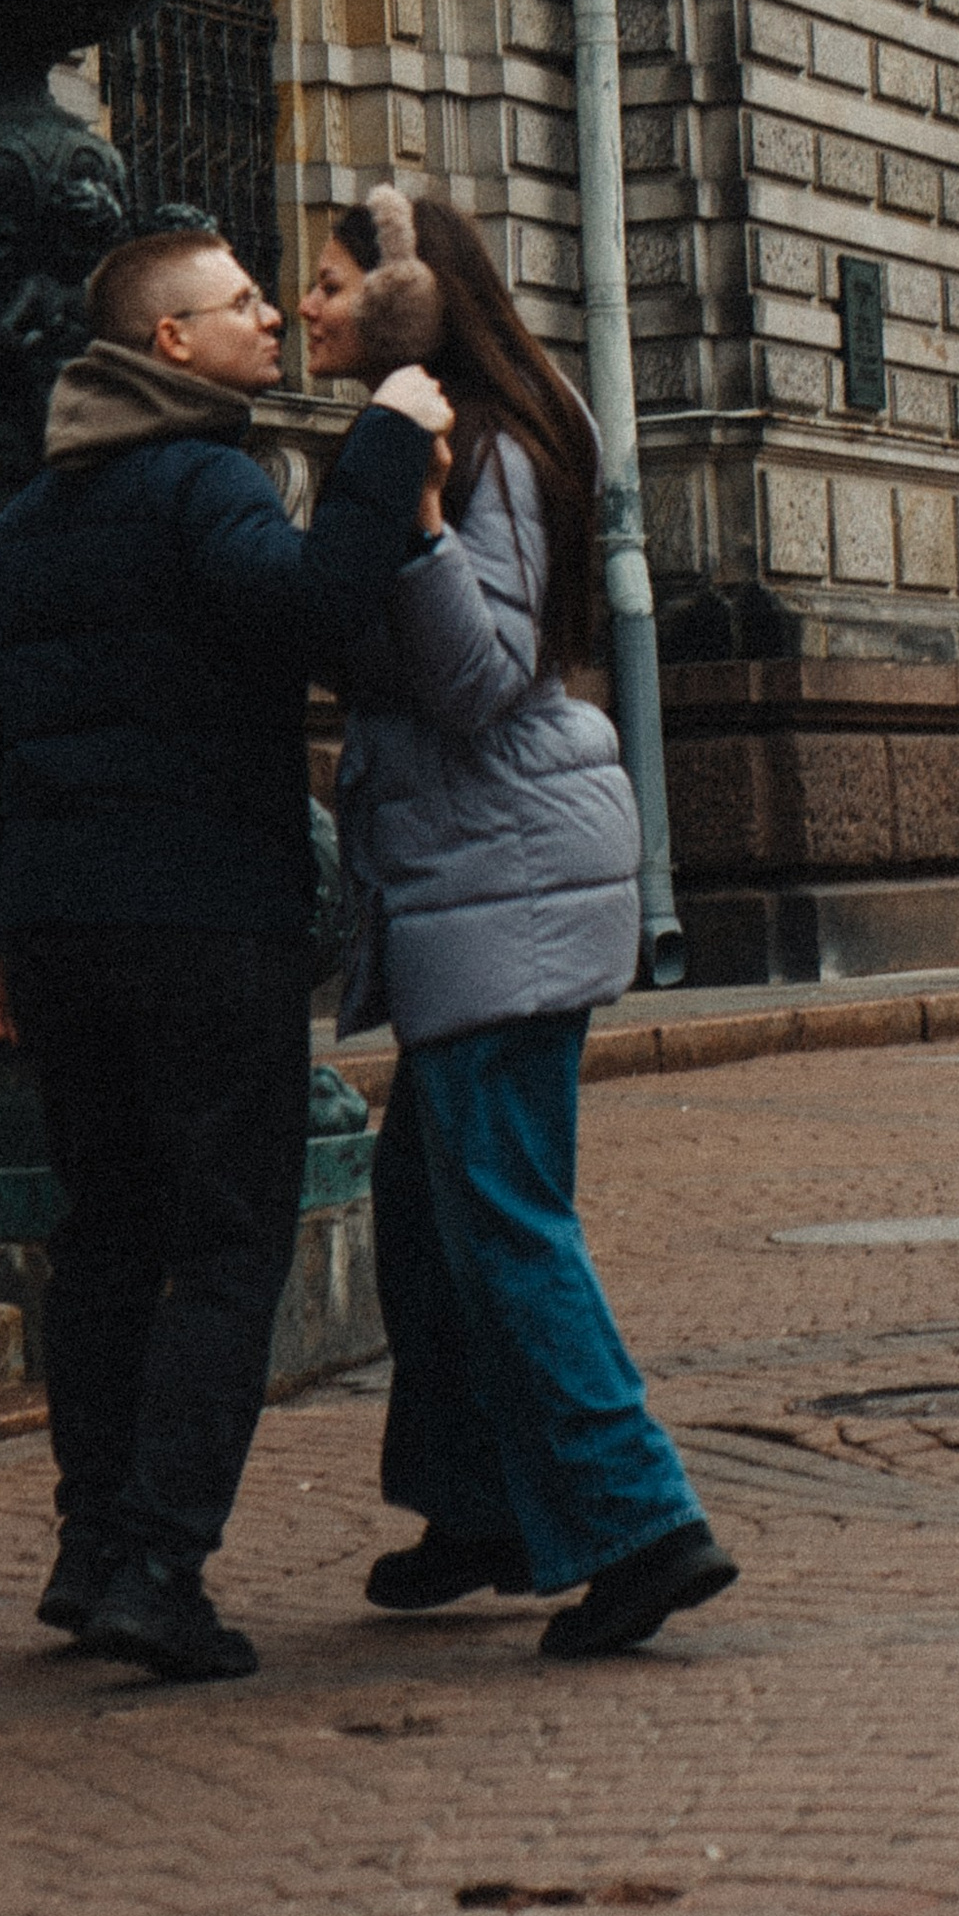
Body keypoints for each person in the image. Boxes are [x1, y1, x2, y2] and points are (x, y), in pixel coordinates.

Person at [0, 225, 451, 1685]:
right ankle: (162, 1565)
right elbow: (305, 611)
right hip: (201, 919)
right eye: (242, 307)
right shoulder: (205, 478)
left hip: (61, 927)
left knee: (103, 1238)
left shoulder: (29, 520)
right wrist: (377, 455)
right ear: (170, 344)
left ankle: (90, 1544)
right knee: (229, 1243)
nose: (275, 319)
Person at [300, 192, 736, 1661]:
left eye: (331, 283)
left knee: (501, 1214)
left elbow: (483, 678)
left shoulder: (473, 451)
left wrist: (412, 525)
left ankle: (640, 1522)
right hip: (491, 867)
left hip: (507, 867)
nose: (309, 307)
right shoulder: (460, 432)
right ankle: (474, 1501)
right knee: (429, 1210)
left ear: (412, 302)